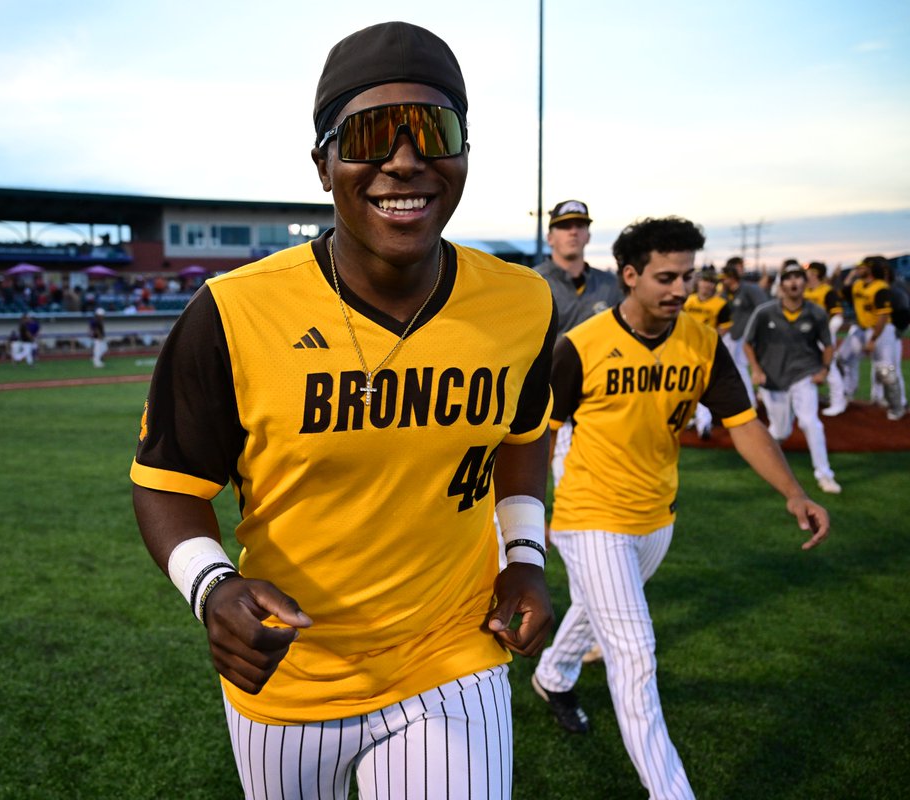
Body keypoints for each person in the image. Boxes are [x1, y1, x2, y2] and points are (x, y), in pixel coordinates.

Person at [131, 21, 558, 799]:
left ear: (465, 152)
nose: (405, 160)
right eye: (368, 135)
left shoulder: (523, 303)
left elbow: (522, 438)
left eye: (435, 130)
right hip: (292, 672)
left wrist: (524, 556)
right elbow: (168, 483)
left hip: (450, 656)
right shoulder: (232, 312)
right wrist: (213, 586)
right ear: (323, 164)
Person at [531, 217, 830, 800]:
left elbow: (743, 425)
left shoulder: (701, 342)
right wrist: (529, 514)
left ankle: (552, 676)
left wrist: (794, 492)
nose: (681, 288)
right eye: (666, 277)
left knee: (596, 606)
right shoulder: (582, 345)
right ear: (630, 275)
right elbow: (542, 433)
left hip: (656, 515)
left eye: (687, 276)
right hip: (590, 513)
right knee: (634, 652)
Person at [536, 199, 623, 485]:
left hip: (600, 401)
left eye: (580, 225)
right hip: (547, 400)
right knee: (551, 483)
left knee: (602, 485)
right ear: (550, 237)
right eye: (564, 226)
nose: (573, 232)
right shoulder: (532, 281)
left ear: (588, 235)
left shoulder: (610, 284)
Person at [743, 261, 841, 493]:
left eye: (798, 277)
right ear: (781, 284)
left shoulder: (816, 312)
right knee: (781, 431)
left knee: (810, 422)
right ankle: (766, 462)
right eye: (788, 277)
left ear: (805, 283)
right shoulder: (765, 312)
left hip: (803, 375)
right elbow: (748, 343)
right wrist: (756, 370)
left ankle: (824, 474)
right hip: (773, 378)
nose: (793, 281)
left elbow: (828, 345)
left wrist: (824, 370)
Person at [837, 255, 905, 420]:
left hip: (881, 330)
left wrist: (873, 339)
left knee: (885, 370)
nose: (858, 269)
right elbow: (844, 291)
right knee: (842, 358)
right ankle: (847, 392)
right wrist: (851, 275)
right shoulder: (858, 284)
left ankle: (897, 406)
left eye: (862, 267)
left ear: (871, 269)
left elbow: (883, 316)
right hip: (861, 329)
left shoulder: (880, 288)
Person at [682, 267, 732, 438]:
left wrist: (708, 342)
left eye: (711, 282)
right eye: (704, 281)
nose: (707, 285)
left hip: (707, 350)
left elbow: (723, 328)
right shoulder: (688, 300)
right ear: (698, 282)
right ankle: (692, 417)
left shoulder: (721, 304)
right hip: (686, 349)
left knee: (702, 385)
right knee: (685, 385)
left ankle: (704, 424)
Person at [719, 257, 769, 406]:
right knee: (738, 366)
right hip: (734, 336)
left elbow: (764, 309)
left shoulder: (750, 289)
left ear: (732, 278)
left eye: (724, 278)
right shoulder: (725, 293)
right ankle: (751, 399)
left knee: (749, 366)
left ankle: (754, 399)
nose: (722, 280)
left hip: (751, 335)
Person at [804, 261, 849, 416]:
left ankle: (838, 402)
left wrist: (827, 333)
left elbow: (838, 316)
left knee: (829, 368)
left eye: (808, 271)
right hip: (805, 336)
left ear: (815, 273)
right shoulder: (804, 291)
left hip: (823, 336)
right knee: (805, 369)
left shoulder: (827, 291)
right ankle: (810, 400)